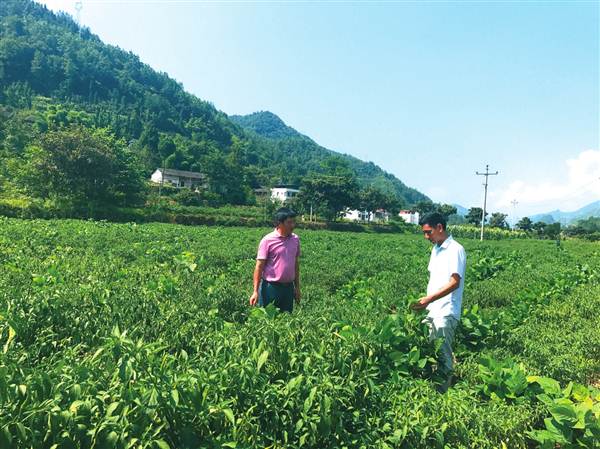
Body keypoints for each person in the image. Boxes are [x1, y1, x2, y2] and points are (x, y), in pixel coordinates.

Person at [411, 212, 467, 392]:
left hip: (446, 311)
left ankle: (444, 393)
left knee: (443, 353)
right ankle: (434, 387)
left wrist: (429, 299)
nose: (426, 236)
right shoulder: (436, 249)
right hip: (433, 310)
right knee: (430, 350)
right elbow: (435, 279)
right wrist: (426, 302)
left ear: (440, 228)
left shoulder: (456, 249)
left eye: (429, 232)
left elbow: (454, 283)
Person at [249, 207, 301, 313]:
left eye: (293, 222)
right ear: (279, 223)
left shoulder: (295, 239)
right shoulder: (267, 240)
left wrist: (297, 288)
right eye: (289, 222)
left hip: (288, 288)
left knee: (286, 321)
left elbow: (295, 264)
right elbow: (259, 267)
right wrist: (255, 291)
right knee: (267, 320)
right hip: (270, 288)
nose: (292, 225)